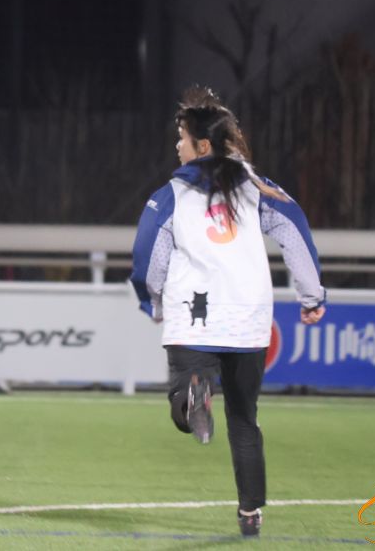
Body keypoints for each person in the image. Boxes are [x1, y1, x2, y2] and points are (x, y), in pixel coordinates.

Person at [130, 86, 327, 538]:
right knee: (244, 419)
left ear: (202, 146)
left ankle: (193, 394)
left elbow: (147, 254)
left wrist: (150, 298)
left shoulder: (171, 195)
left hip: (193, 315)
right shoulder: (257, 187)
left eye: (182, 138)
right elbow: (295, 231)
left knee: (182, 406)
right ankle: (250, 513)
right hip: (247, 317)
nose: (177, 145)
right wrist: (312, 295)